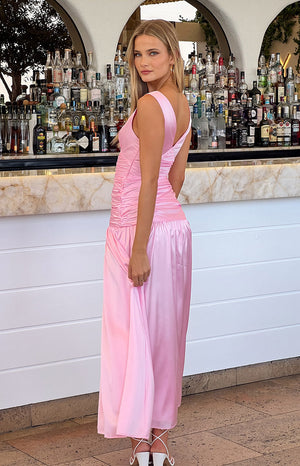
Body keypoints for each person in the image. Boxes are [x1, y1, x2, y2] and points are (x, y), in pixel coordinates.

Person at [97, 19, 192, 466]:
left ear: (173, 56)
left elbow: (152, 180)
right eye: (138, 54)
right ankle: (157, 439)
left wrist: (138, 248)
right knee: (162, 335)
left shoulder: (152, 106)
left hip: (139, 231)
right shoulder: (182, 103)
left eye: (154, 53)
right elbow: (178, 179)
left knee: (132, 335)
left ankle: (142, 443)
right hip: (171, 230)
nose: (144, 62)